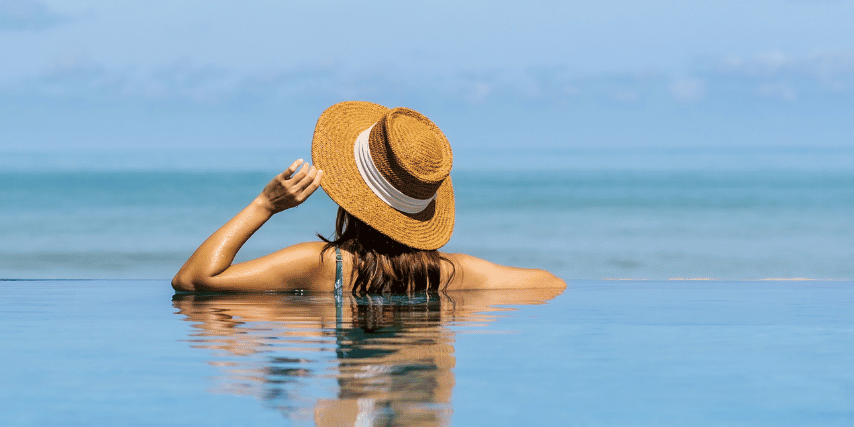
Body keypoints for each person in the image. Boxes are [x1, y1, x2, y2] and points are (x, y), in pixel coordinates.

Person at [172, 102, 564, 294]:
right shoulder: (453, 273)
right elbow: (551, 284)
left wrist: (265, 205)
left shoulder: (322, 266)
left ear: (350, 194)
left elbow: (192, 281)